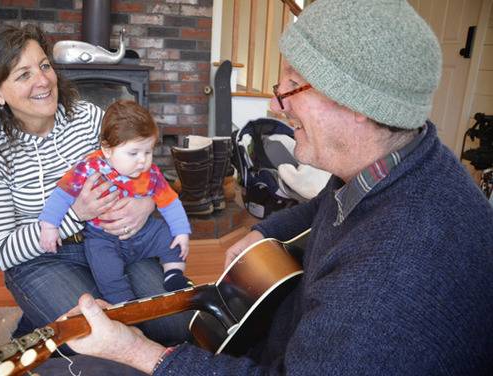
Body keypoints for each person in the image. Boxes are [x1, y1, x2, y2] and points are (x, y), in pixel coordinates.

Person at [64, 0, 493, 375]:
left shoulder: (390, 277)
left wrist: (139, 353)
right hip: (280, 335)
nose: (275, 102)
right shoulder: (395, 164)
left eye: (292, 83)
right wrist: (263, 233)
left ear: (356, 102)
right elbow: (326, 207)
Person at [0, 24, 191, 345]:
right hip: (41, 260)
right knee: (105, 337)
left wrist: (145, 204)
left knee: (177, 323)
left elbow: (141, 166)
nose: (42, 80)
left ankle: (42, 323)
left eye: (44, 65)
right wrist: (74, 215)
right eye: (23, 74)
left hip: (113, 242)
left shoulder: (89, 118)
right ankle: (46, 319)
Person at [39, 100, 192, 303]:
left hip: (142, 233)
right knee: (104, 266)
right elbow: (62, 194)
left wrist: (181, 231)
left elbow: (170, 202)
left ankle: (174, 274)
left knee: (169, 236)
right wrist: (49, 226)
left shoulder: (151, 173)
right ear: (108, 150)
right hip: (103, 237)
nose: (142, 160)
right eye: (134, 153)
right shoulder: (88, 168)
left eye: (148, 152)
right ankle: (121, 300)